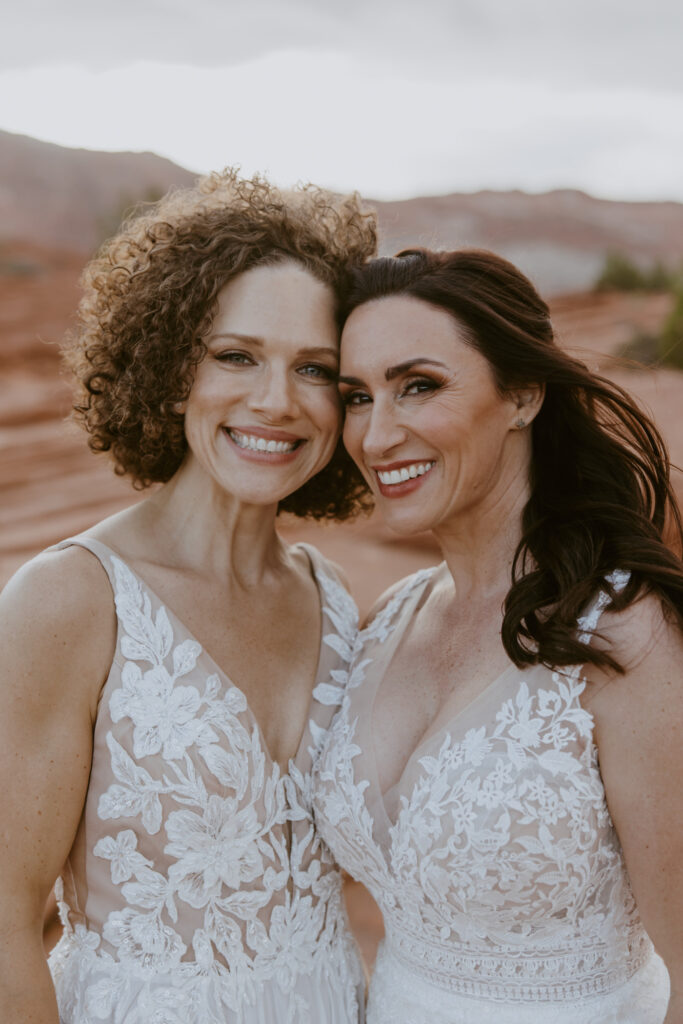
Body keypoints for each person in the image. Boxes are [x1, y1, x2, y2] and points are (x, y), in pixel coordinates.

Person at [0, 170, 376, 1024]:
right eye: (235, 356)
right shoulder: (70, 601)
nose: (274, 402)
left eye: (313, 369)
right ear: (172, 371)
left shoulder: (335, 597)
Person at [312, 248, 683, 1023]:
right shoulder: (390, 618)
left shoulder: (623, 635)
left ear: (520, 393)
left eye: (419, 386)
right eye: (356, 396)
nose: (376, 437)